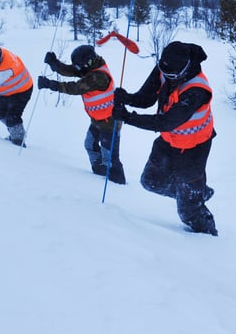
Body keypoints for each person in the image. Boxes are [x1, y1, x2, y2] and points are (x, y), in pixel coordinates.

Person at [112, 41, 217, 236]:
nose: (167, 77)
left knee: (188, 212)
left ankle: (208, 235)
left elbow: (166, 122)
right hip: (168, 141)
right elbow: (146, 98)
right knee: (150, 181)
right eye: (164, 72)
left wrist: (128, 118)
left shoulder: (196, 90)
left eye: (172, 76)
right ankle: (195, 193)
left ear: (184, 69)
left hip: (194, 149)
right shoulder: (166, 68)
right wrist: (127, 98)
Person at [37, 45, 126, 184]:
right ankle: (100, 172)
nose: (78, 68)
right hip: (98, 120)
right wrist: (55, 64)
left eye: (79, 65)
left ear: (88, 61)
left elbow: (76, 88)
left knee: (110, 158)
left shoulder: (98, 76)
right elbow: (73, 70)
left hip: (110, 122)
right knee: (90, 144)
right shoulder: (91, 67)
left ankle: (117, 184)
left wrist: (51, 84)